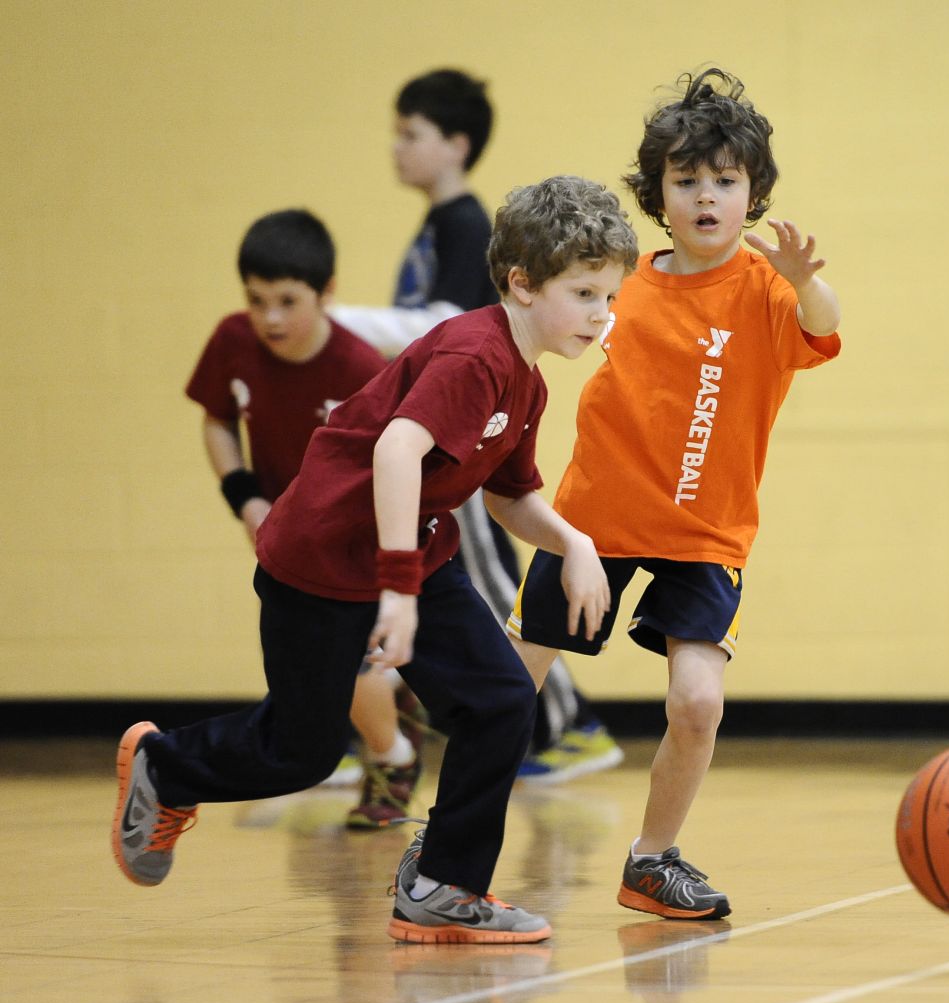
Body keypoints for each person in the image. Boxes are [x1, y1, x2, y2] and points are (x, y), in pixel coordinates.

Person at [112, 175, 641, 945]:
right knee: (302, 750)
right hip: (321, 563)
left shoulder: (524, 382)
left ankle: (441, 886)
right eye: (586, 292)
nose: (603, 315)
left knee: (499, 700)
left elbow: (506, 494)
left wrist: (577, 543)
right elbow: (398, 449)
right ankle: (166, 766)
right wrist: (397, 594)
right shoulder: (474, 355)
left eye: (610, 296)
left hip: (415, 555)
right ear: (522, 284)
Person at [506, 68, 842, 920]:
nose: (705, 196)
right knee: (512, 686)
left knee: (697, 700)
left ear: (752, 194)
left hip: (707, 533)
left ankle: (652, 859)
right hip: (594, 524)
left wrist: (804, 278)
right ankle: (448, 835)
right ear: (657, 192)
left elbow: (824, 325)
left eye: (725, 181)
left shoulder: (768, 293)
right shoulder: (622, 283)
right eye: (686, 179)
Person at [331, 68, 623, 802]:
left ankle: (554, 724)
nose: (397, 149)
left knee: (491, 591)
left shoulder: (465, 228)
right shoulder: (445, 242)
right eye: (586, 296)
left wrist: (337, 321)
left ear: (456, 145)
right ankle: (365, 738)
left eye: (412, 134)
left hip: (452, 442)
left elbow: (435, 329)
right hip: (431, 446)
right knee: (468, 604)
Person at [185, 209, 420, 805]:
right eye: (256, 299)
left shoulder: (362, 369)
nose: (270, 318)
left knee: (349, 661)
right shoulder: (232, 341)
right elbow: (216, 418)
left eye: (287, 301)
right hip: (281, 540)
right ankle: (389, 724)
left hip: (350, 537)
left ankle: (393, 758)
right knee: (315, 670)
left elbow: (398, 465)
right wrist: (244, 496)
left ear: (327, 293)